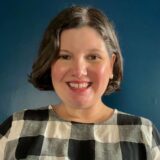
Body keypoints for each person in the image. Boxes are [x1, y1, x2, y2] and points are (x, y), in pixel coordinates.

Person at [0, 5, 160, 160]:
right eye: (65, 56)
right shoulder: (16, 128)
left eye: (93, 57)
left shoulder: (143, 134)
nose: (78, 71)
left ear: (111, 65)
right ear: (49, 63)